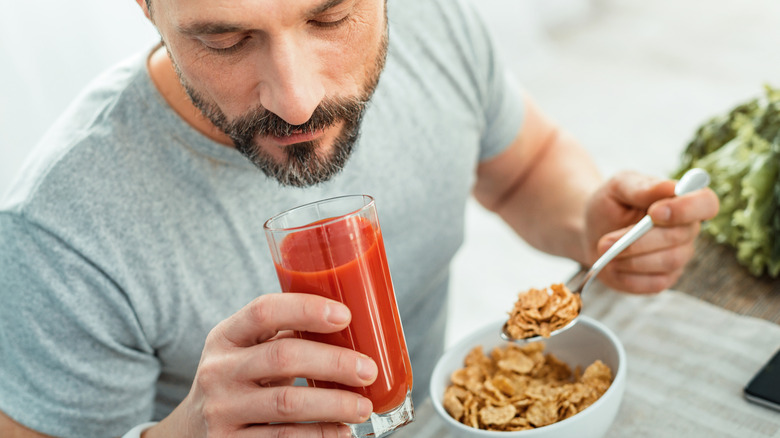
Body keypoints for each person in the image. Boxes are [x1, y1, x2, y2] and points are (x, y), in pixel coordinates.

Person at [0, 0, 718, 436]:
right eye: (225, 39)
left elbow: (525, 167)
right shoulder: (58, 233)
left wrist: (586, 220)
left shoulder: (434, 23)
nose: (297, 100)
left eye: (330, 16)